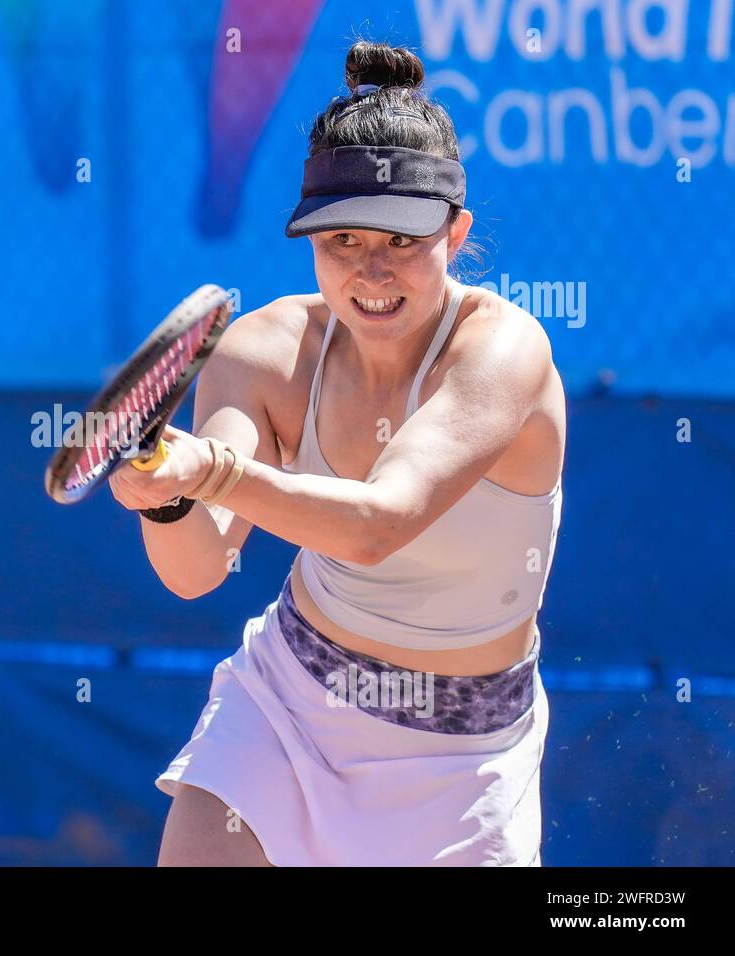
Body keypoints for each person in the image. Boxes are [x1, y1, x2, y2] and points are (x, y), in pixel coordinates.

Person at [108, 40, 566, 866]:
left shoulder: (504, 350)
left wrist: (210, 470)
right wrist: (169, 497)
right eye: (342, 240)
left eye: (400, 240)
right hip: (289, 705)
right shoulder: (266, 351)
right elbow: (196, 568)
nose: (370, 268)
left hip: (464, 757)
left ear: (455, 233)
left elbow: (378, 525)